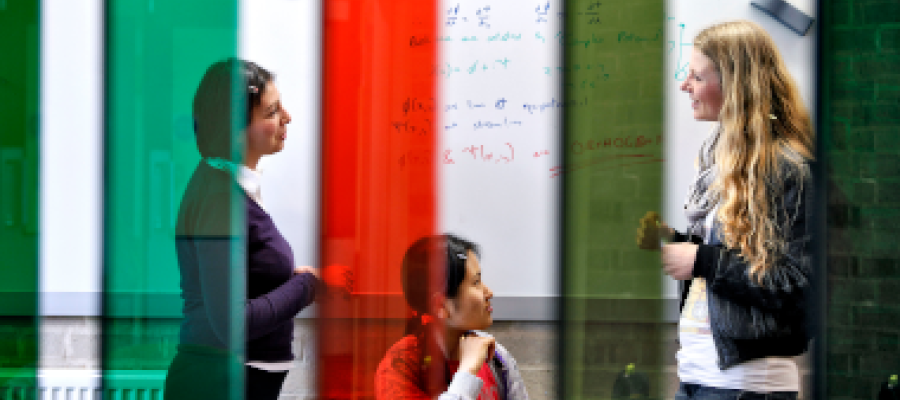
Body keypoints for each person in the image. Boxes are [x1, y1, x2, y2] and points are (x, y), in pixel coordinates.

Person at [649, 21, 814, 400]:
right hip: (697, 375)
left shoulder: (787, 168)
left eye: (696, 76)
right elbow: (735, 262)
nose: (684, 85)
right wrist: (677, 243)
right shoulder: (717, 161)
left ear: (735, 84)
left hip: (744, 387)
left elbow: (795, 286)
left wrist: (702, 259)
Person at [164, 58, 345, 400]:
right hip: (219, 384)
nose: (287, 118)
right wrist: (310, 284)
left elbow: (239, 274)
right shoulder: (220, 200)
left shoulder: (227, 186)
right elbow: (233, 323)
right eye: (272, 112)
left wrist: (291, 275)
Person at [375, 235, 529, 400]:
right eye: (476, 282)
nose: (489, 292)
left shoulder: (495, 356)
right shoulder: (400, 365)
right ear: (441, 306)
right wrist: (468, 370)